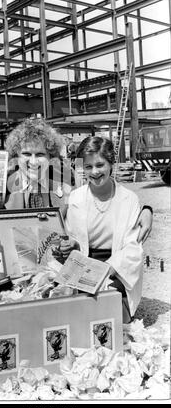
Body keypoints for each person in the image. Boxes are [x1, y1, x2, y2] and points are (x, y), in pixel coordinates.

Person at [0, 118, 153, 243]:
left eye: (40, 155)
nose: (34, 162)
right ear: (17, 156)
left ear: (51, 157)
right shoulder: (2, 183)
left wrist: (144, 209)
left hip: (56, 260)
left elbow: (101, 196)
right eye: (27, 154)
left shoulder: (66, 181)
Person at [65, 136, 144, 322]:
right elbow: (72, 237)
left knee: (110, 312)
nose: (95, 172)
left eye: (100, 165)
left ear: (111, 164)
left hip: (115, 266)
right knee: (73, 310)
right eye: (88, 167)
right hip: (84, 264)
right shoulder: (75, 198)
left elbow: (133, 246)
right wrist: (70, 245)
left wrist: (108, 269)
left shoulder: (129, 199)